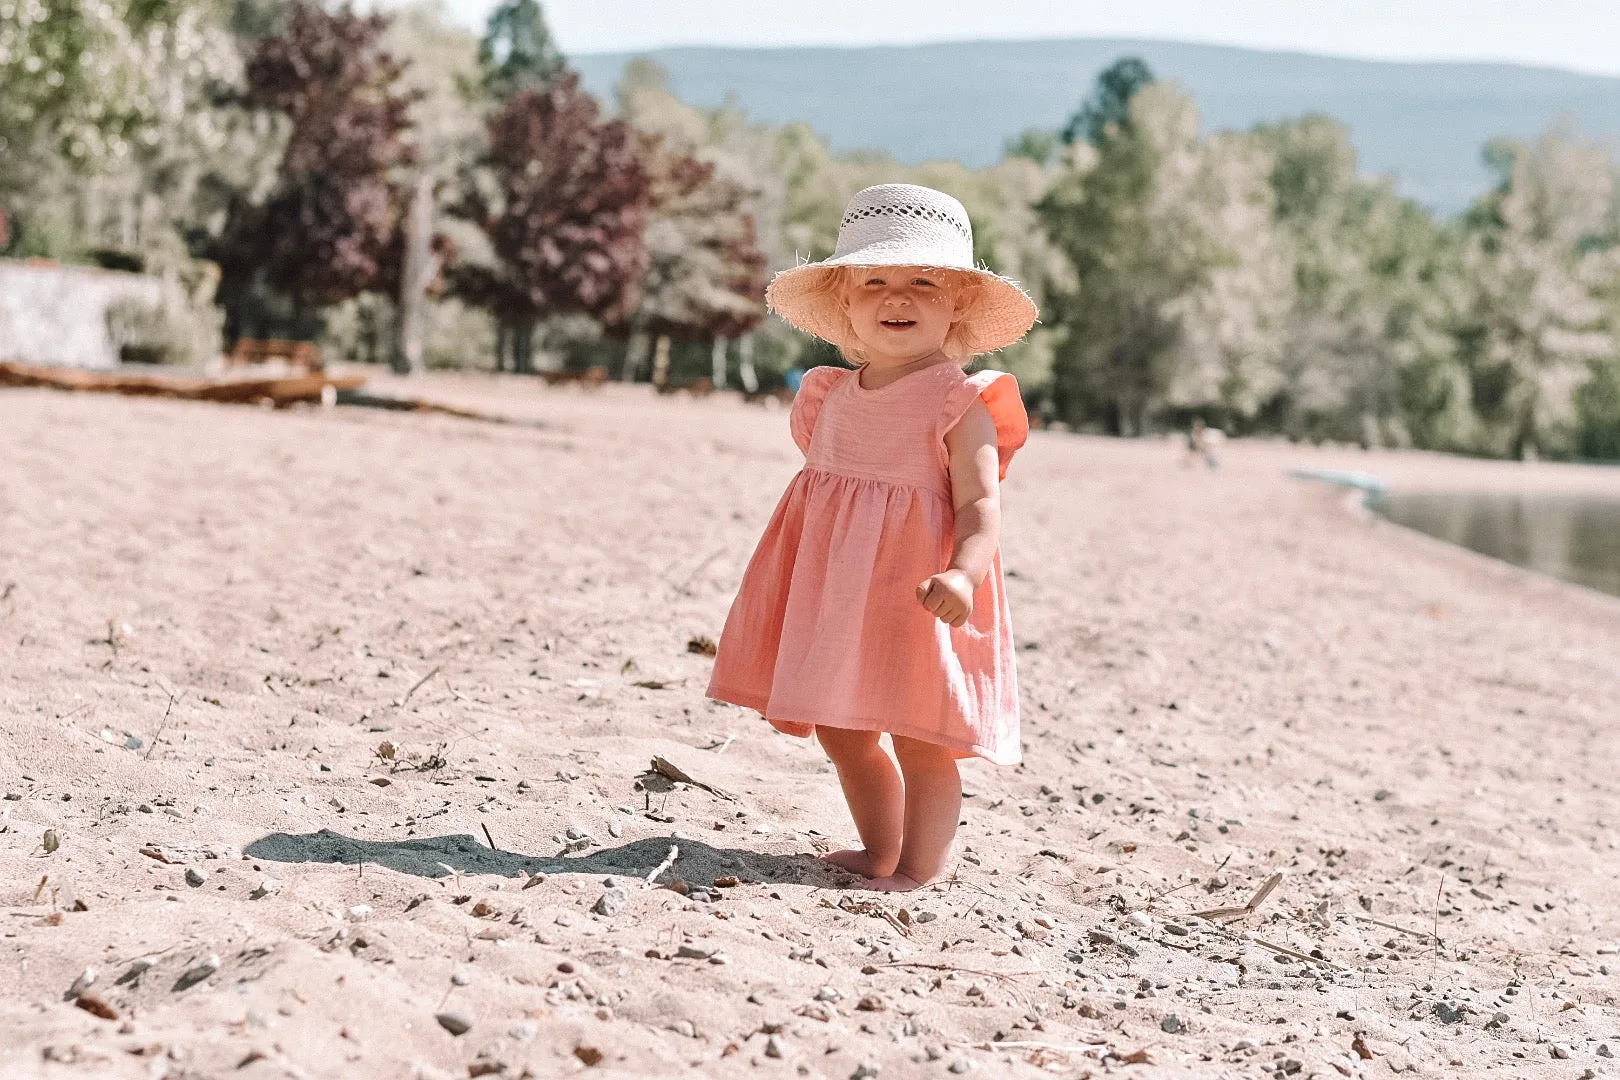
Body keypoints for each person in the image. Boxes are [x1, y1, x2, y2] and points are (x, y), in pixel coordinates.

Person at [706, 184, 1038, 892]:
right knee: (845, 730)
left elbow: (981, 504)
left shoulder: (961, 400)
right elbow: (826, 504)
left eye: (925, 281)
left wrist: (964, 575)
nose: (900, 297)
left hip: (921, 594)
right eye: (876, 281)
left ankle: (917, 868)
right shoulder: (828, 395)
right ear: (846, 304)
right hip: (839, 590)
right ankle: (877, 850)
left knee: (921, 736)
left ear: (958, 305)